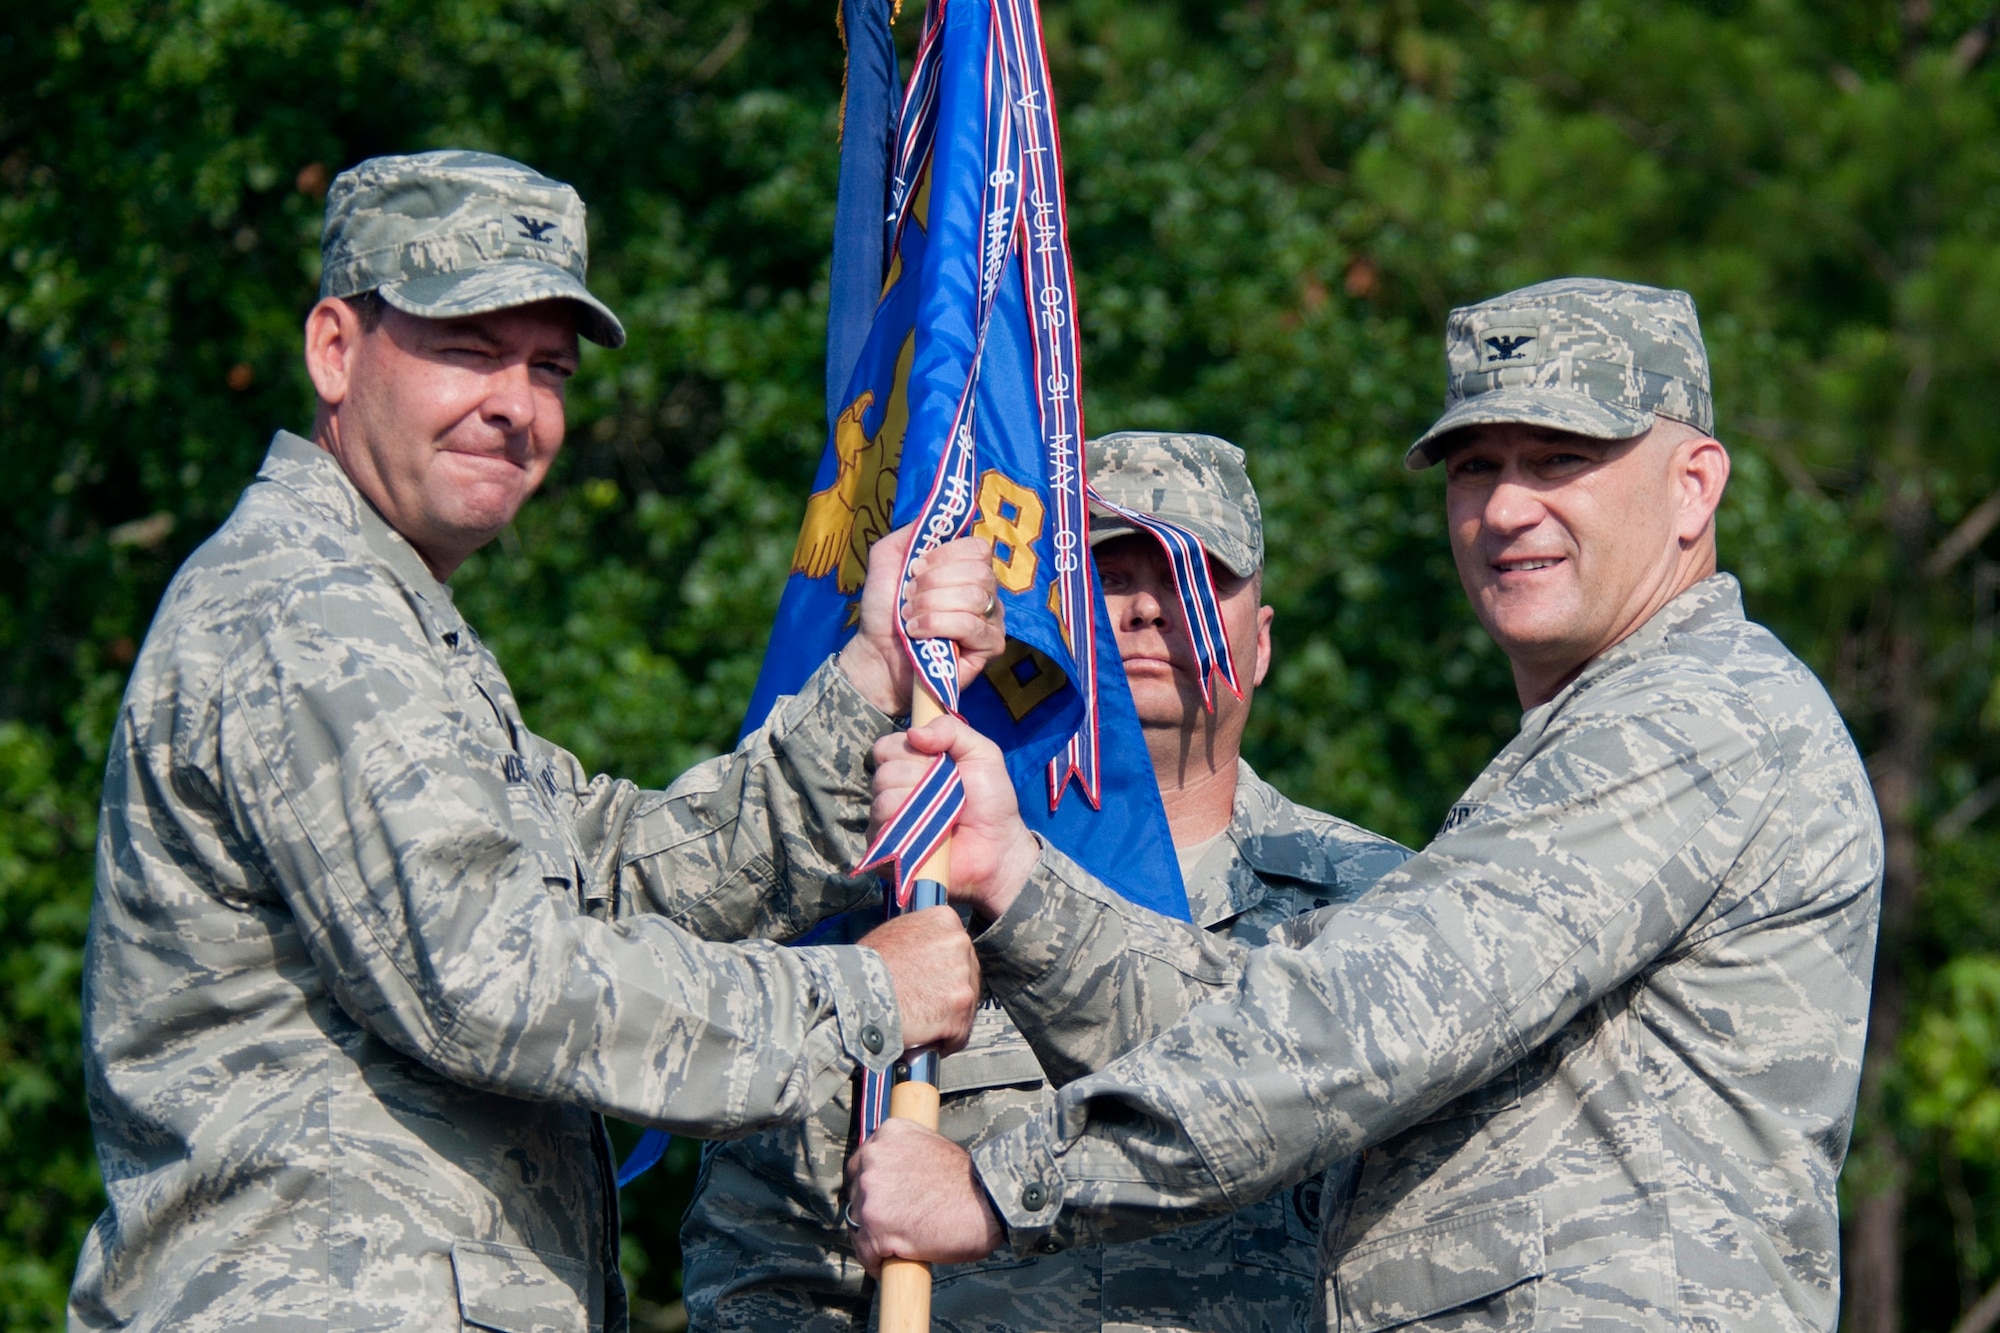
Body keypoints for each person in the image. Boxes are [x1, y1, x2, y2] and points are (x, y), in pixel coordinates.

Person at [70, 150, 1000, 1333]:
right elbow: (494, 979)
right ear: (334, 352)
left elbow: (615, 877)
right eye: (467, 349)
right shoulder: (309, 615)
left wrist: (870, 676)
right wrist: (862, 995)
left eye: (547, 368)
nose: (517, 405)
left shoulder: (393, 622)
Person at [849, 278, 1884, 1331]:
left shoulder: (1694, 715)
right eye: (1474, 467)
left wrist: (990, 1187)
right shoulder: (1595, 736)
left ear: (1692, 485)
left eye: (1559, 459)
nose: (1506, 506)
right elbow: (1277, 1034)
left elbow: (1362, 1027)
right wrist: (1016, 883)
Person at [679, 433, 1411, 1332]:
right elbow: (766, 1244)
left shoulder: (1380, 909)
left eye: (1193, 577)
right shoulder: (918, 886)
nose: (1146, 607)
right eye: (1108, 572)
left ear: (1259, 645)